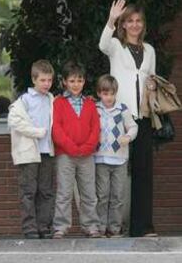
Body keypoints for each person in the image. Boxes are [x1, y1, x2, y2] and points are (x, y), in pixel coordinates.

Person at [99, 0, 157, 237]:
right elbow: (102, 44)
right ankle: (112, 225)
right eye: (130, 21)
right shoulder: (116, 46)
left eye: (138, 21)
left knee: (144, 171)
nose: (134, 25)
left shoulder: (150, 50)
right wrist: (112, 19)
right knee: (116, 172)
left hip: (142, 115)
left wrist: (152, 84)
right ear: (124, 25)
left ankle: (142, 226)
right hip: (117, 117)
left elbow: (152, 77)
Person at [51, 61, 101, 239]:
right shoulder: (58, 103)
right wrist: (72, 148)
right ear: (64, 81)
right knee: (64, 192)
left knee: (88, 192)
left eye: (79, 81)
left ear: (84, 82)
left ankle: (91, 225)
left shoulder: (89, 103)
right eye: (71, 81)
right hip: (65, 154)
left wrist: (86, 148)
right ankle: (61, 227)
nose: (76, 84)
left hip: (87, 155)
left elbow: (96, 128)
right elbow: (56, 129)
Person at [7, 59, 56, 239]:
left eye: (49, 80)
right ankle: (30, 229)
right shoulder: (25, 100)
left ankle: (44, 227)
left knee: (46, 191)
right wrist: (36, 132)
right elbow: (14, 121)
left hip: (47, 152)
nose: (46, 84)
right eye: (43, 80)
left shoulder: (51, 99)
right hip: (29, 153)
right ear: (34, 79)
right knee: (28, 191)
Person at [94, 74, 138, 237]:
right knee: (102, 195)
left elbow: (133, 127)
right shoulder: (95, 109)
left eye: (112, 94)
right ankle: (100, 227)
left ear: (115, 93)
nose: (109, 97)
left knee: (118, 195)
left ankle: (114, 228)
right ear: (99, 93)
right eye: (105, 94)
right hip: (100, 158)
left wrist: (128, 136)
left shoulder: (122, 109)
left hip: (120, 159)